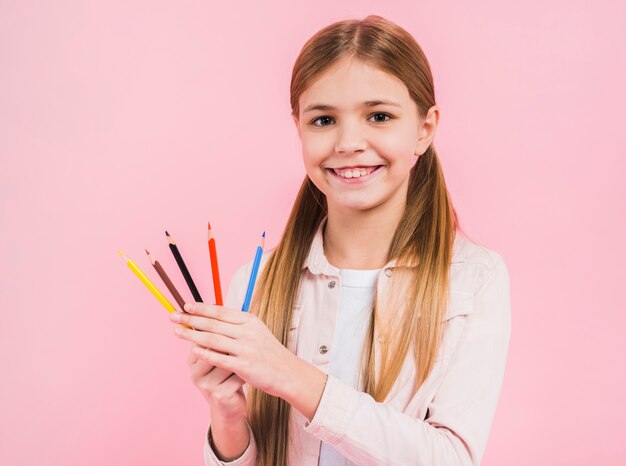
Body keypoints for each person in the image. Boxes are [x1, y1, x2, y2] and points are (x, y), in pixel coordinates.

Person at [169, 14, 511, 466]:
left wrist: (294, 377)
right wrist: (228, 416)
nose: (349, 142)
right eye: (324, 119)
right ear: (298, 128)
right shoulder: (256, 282)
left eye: (380, 116)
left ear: (424, 129)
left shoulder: (474, 280)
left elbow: (449, 459)